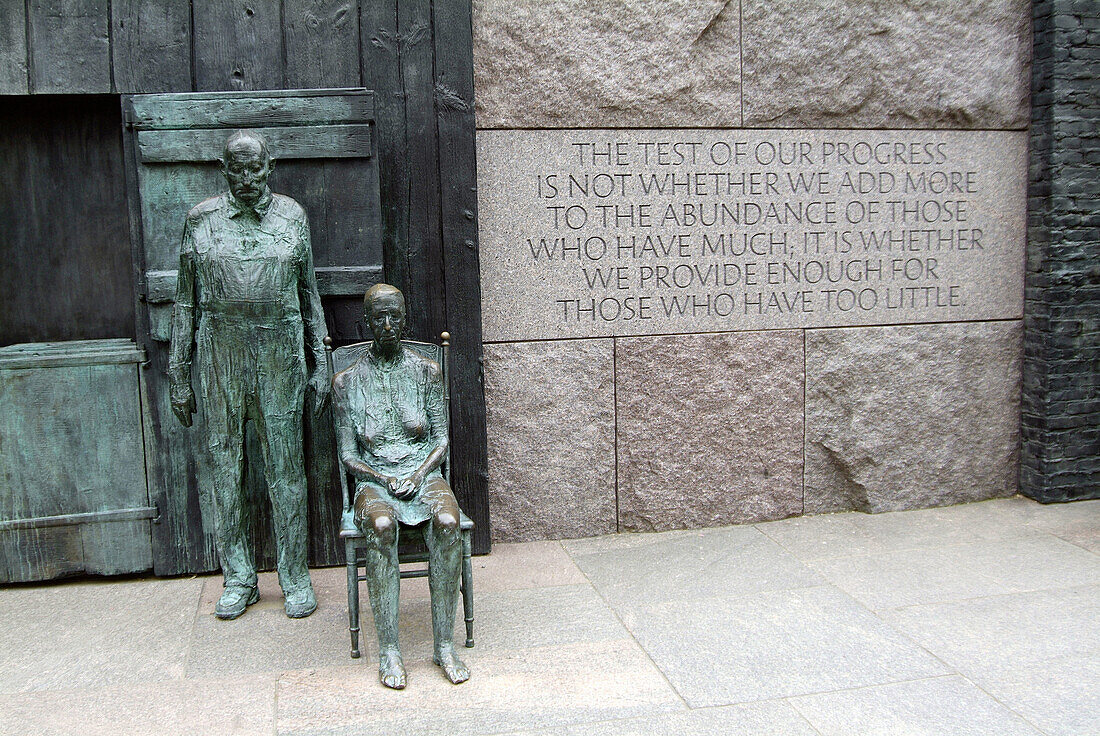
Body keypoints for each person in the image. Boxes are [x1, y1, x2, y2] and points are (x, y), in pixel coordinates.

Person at [168, 130, 329, 620]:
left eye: (254, 169)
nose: (246, 179)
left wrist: (321, 361)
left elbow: (309, 294)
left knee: (285, 467)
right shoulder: (200, 219)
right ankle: (238, 576)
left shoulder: (292, 215)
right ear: (224, 169)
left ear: (269, 166)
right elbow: (185, 300)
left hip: (280, 352)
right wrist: (179, 370)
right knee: (225, 465)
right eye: (236, 169)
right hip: (220, 352)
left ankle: (294, 574)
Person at [333, 283, 469, 688]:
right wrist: (382, 477)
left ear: (404, 318)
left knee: (447, 520)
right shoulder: (346, 382)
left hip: (424, 474)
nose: (388, 325)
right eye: (380, 317)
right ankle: (390, 650)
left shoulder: (426, 371)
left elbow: (441, 440)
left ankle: (444, 644)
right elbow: (348, 455)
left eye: (395, 316)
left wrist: (417, 473)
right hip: (374, 478)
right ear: (367, 323)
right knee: (380, 526)